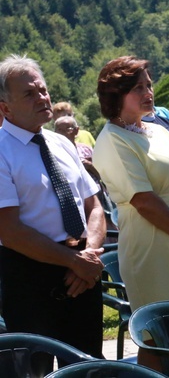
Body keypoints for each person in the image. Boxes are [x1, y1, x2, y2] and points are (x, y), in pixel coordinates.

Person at [92, 56, 169, 370]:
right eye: (138, 87)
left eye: (149, 84)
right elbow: (143, 201)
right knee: (158, 338)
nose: (148, 92)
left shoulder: (158, 130)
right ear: (116, 95)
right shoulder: (113, 141)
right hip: (152, 250)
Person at [0, 54, 106, 374]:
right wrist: (74, 262)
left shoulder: (61, 143)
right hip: (30, 276)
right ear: (5, 108)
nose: (42, 98)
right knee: (37, 369)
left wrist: (86, 256)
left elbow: (95, 206)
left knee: (88, 367)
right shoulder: (2, 152)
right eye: (29, 94)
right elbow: (9, 230)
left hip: (83, 271)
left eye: (43, 90)